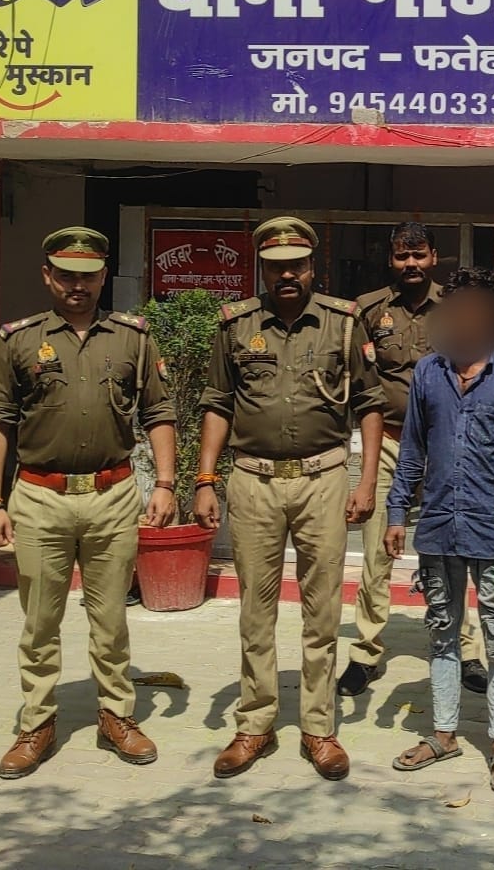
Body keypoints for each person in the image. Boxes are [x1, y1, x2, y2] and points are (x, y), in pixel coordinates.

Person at [0, 226, 177, 779]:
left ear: (103, 276)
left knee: (111, 619)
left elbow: (158, 412)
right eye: (66, 275)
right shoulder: (17, 341)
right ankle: (37, 723)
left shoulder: (132, 338)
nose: (77, 286)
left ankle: (116, 716)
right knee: (41, 621)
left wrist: (164, 484)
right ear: (48, 276)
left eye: (88, 276)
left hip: (112, 497)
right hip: (40, 497)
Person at [195, 216, 386, 781]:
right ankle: (254, 723)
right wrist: (204, 479)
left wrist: (366, 481)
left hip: (323, 479)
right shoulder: (235, 324)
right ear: (262, 267)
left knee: (321, 610)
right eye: (275, 266)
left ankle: (318, 727)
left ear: (311, 266)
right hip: (252, 481)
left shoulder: (343, 322)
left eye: (296, 265)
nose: (286, 275)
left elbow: (369, 403)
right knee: (255, 610)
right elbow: (217, 402)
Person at [386, 268, 494, 794]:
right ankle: (444, 735)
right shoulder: (429, 373)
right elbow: (412, 449)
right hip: (439, 528)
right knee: (442, 632)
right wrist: (396, 512)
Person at [343, 222, 487, 698]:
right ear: (391, 259)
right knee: (376, 552)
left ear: (433, 257)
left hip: (446, 445)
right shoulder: (369, 311)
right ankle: (366, 652)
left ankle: (466, 649)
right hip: (387, 442)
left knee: (454, 551)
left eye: (419, 255)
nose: (411, 264)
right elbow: (357, 382)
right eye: (402, 256)